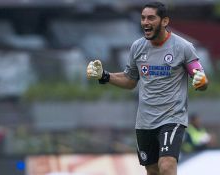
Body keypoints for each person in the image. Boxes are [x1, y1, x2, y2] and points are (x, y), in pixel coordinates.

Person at [86, 1, 209, 175]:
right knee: (152, 171)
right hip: (145, 122)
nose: (145, 22)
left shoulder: (183, 47)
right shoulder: (137, 47)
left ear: (164, 21)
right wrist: (104, 76)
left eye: (151, 18)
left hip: (172, 118)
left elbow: (199, 75)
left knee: (166, 165)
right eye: (143, 18)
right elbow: (130, 80)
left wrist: (200, 81)